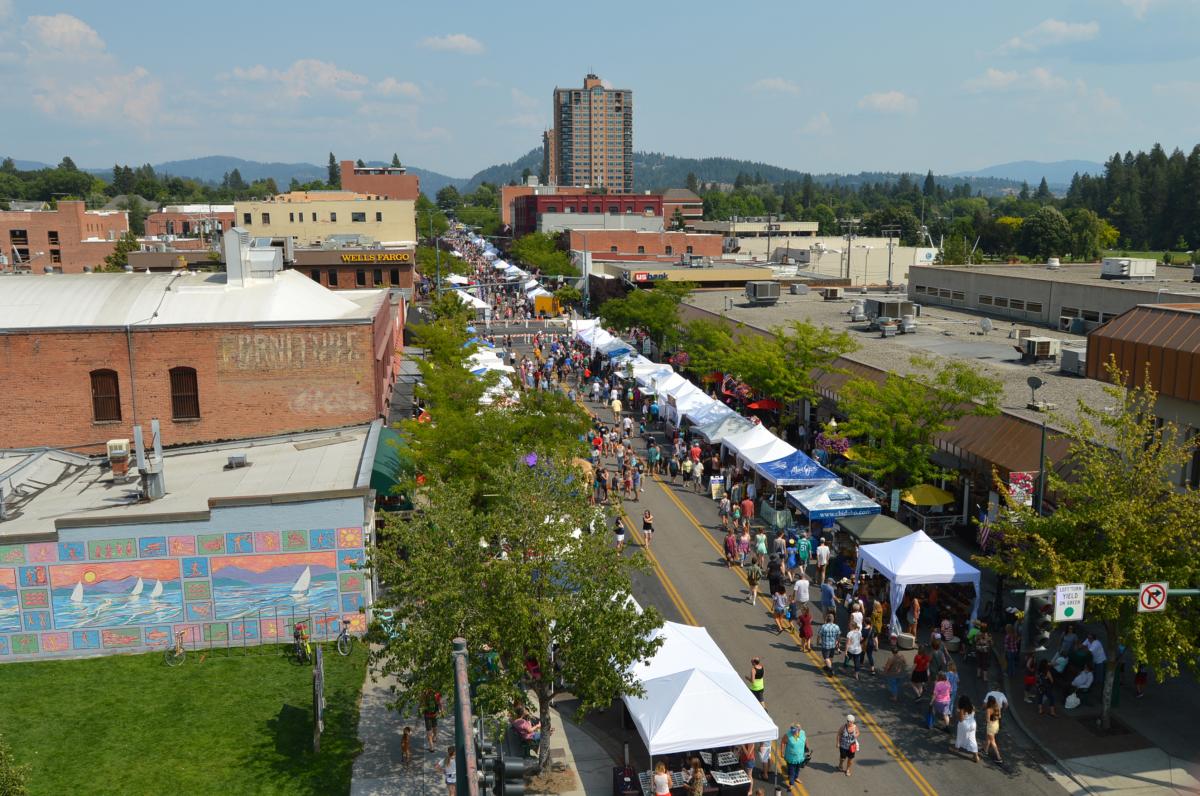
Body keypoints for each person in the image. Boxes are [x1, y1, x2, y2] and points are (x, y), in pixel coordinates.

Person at [953, 698, 980, 763]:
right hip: (972, 723)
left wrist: (958, 712)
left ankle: (956, 748)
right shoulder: (972, 706)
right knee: (972, 739)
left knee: (960, 737)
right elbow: (973, 714)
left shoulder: (962, 709)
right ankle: (976, 756)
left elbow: (961, 719)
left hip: (965, 725)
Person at [984, 696, 1003, 763]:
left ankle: (999, 757)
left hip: (991, 726)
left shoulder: (989, 710)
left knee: (993, 741)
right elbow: (999, 716)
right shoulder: (998, 707)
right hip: (996, 724)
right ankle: (985, 750)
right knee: (989, 737)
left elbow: (987, 720)